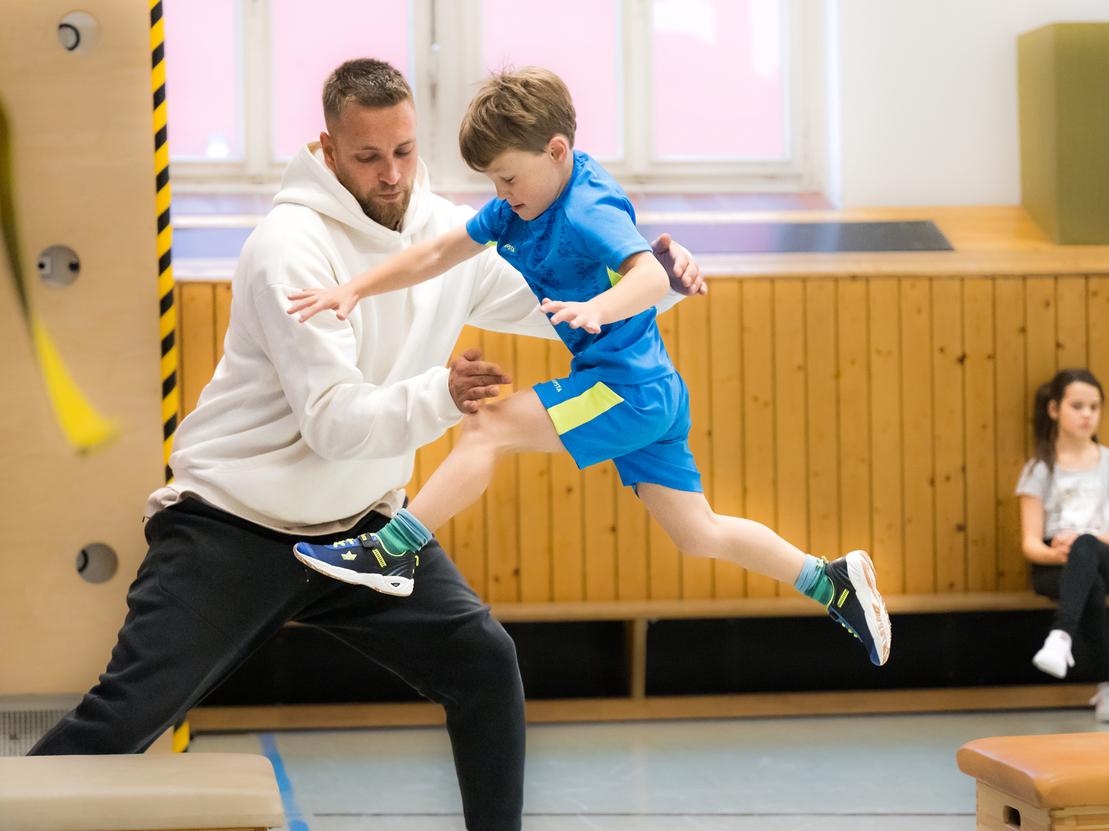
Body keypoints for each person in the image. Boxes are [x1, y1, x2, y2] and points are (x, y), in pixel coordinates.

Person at [29, 58, 706, 831]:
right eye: (368, 156)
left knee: (485, 664)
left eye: (406, 151)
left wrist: (658, 272)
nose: (392, 174)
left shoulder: (446, 232)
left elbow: (566, 305)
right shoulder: (289, 247)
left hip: (363, 531)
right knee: (118, 722)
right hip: (235, 525)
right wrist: (441, 396)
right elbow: (334, 423)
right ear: (327, 148)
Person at [289, 67, 892, 668]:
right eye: (494, 182)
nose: (502, 193)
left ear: (555, 152)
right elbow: (440, 251)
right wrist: (358, 288)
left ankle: (393, 550)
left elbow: (651, 275)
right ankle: (830, 582)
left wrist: (595, 309)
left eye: (508, 178)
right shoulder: (521, 206)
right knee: (698, 532)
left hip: (624, 389)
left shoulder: (585, 208)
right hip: (653, 389)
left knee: (487, 426)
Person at [1017, 368, 1109, 721]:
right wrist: (1058, 552)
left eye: (1094, 407)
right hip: (1054, 564)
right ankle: (1105, 687)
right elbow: (1030, 543)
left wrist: (1086, 542)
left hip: (1100, 553)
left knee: (1087, 547)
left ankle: (1061, 636)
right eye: (1077, 406)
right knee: (1090, 582)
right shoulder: (1039, 469)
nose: (1087, 414)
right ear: (1054, 409)